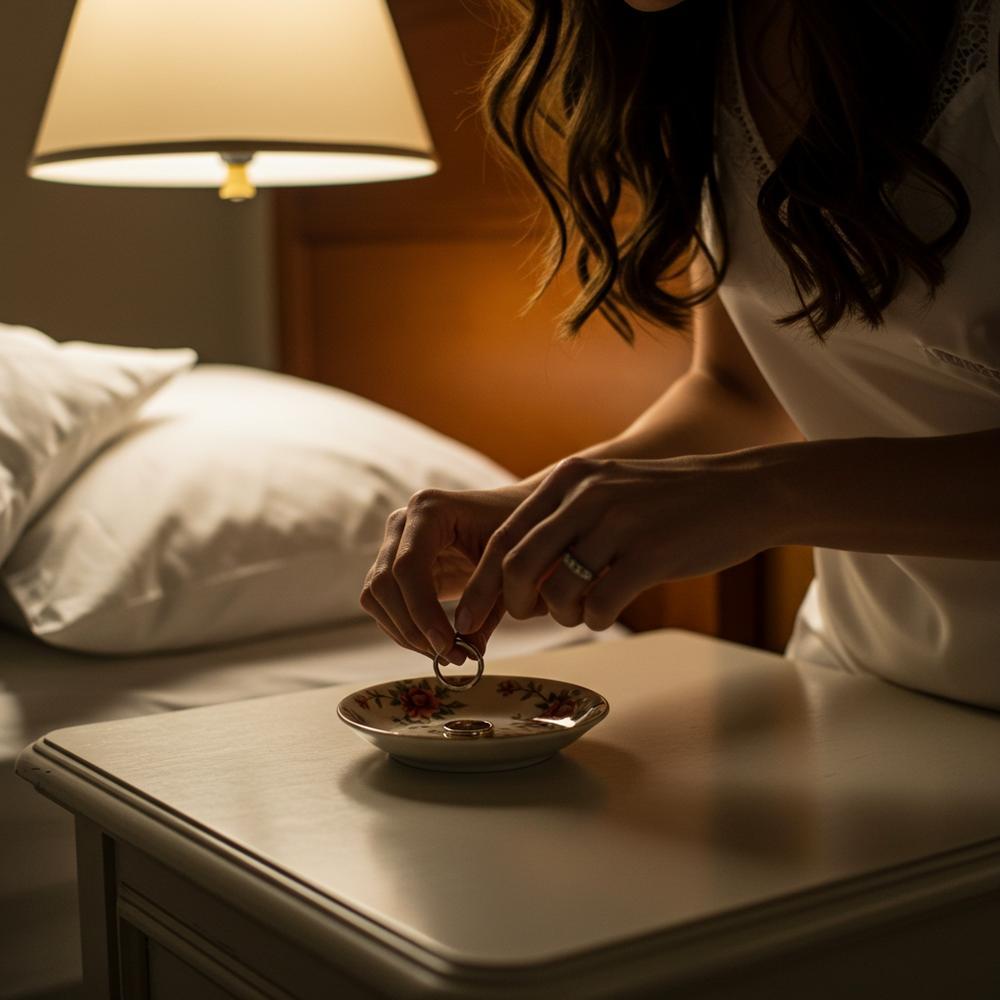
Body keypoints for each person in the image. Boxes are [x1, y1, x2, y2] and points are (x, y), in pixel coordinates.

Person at [361, 0, 1000, 709]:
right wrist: (535, 511)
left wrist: (764, 494)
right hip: (857, 681)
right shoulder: (701, 46)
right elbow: (739, 393)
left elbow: (759, 462)